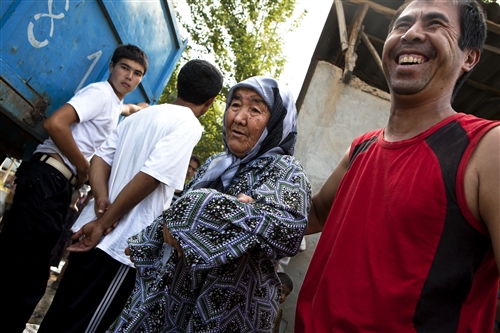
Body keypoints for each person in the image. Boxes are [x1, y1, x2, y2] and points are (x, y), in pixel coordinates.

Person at [295, 0, 500, 332]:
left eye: (435, 23)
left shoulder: (487, 148)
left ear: (470, 57)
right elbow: (316, 213)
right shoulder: (360, 149)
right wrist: (252, 212)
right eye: (402, 25)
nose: (413, 34)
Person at [108, 76, 311, 332]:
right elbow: (175, 219)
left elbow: (288, 230)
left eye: (255, 109)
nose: (238, 117)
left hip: (226, 314)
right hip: (168, 306)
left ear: (277, 121)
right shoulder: (215, 164)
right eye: (235, 105)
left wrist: (202, 206)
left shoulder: (286, 171)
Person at [37, 59, 223, 333]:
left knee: (59, 317)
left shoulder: (142, 114)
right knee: (86, 325)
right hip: (121, 245)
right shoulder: (188, 125)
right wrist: (104, 222)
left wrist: (101, 201)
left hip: (92, 233)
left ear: (180, 86)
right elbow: (151, 176)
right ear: (209, 102)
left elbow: (100, 158)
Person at [0, 43, 148, 332]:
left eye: (137, 74)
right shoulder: (101, 94)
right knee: (25, 276)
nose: (129, 77)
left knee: (19, 268)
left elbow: (123, 107)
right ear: (111, 67)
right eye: (124, 68)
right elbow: (55, 124)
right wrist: (83, 168)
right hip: (49, 179)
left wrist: (135, 109)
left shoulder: (114, 102)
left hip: (52, 186)